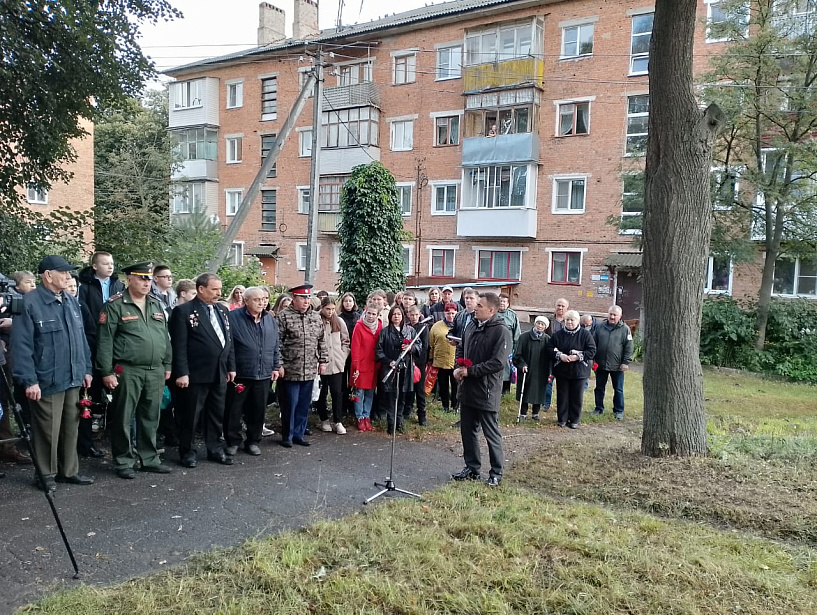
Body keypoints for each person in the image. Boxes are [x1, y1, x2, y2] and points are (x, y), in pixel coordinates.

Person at [11, 255, 94, 491]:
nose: (69, 277)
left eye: (69, 273)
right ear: (48, 275)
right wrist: (29, 381)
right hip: (46, 378)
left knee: (71, 426)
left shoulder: (70, 300)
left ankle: (69, 471)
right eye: (64, 272)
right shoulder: (30, 303)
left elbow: (81, 339)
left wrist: (86, 368)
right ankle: (45, 474)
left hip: (73, 376)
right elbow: (21, 346)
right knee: (47, 429)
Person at [96, 262, 173, 479]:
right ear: (129, 279)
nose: (146, 282)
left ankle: (149, 458)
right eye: (141, 278)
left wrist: (167, 364)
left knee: (151, 416)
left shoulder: (157, 305)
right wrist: (106, 371)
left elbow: (164, 338)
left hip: (155, 370)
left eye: (149, 279)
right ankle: (123, 460)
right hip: (127, 370)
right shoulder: (115, 305)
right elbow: (104, 341)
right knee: (123, 416)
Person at [169, 273, 236, 467]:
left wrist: (231, 366)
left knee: (216, 413)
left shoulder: (222, 310)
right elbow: (179, 345)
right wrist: (181, 372)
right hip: (195, 373)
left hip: (219, 372)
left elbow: (228, 341)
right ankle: (187, 451)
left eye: (220, 289)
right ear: (201, 289)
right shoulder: (184, 311)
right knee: (191, 414)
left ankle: (214, 448)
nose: (218, 293)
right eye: (214, 289)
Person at [451, 292, 509, 487]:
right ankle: (472, 468)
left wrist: (471, 371)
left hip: (487, 390)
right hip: (467, 388)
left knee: (490, 433)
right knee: (467, 431)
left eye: (480, 306)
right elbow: (461, 347)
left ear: (491, 310)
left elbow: (498, 362)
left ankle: (496, 473)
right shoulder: (471, 324)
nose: (475, 308)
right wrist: (457, 367)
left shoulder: (501, 331)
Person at [225, 286, 281, 457]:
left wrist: (276, 366)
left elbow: (275, 344)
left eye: (264, 299)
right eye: (257, 299)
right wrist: (231, 367)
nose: (262, 302)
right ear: (246, 300)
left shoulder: (269, 319)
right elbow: (229, 346)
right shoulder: (233, 317)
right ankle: (232, 441)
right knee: (233, 410)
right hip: (240, 373)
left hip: (263, 373)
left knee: (257, 410)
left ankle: (253, 441)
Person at [276, 284, 328, 448]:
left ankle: (299, 433)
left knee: (304, 404)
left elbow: (321, 340)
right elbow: (276, 343)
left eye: (307, 298)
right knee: (290, 404)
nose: (306, 301)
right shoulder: (283, 316)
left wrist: (323, 360)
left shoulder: (315, 317)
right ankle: (287, 435)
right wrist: (279, 364)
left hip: (310, 368)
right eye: (302, 298)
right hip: (290, 369)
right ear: (294, 299)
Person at [548, 309, 596, 429]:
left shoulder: (585, 335)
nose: (569, 322)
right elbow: (549, 348)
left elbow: (592, 351)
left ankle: (574, 420)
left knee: (576, 396)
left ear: (578, 321)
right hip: (562, 370)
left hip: (579, 371)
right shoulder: (558, 335)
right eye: (567, 320)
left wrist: (577, 357)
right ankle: (562, 419)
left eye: (572, 320)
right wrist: (560, 356)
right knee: (562, 396)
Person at [375, 305, 418, 434]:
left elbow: (419, 345)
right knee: (390, 396)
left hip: (405, 368)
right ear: (390, 316)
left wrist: (411, 348)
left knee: (402, 396)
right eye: (394, 314)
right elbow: (378, 350)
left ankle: (399, 422)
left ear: (403, 316)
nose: (396, 316)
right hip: (390, 367)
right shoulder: (384, 332)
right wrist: (389, 361)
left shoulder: (410, 330)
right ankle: (391, 423)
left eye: (399, 314)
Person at [315, 297, 350, 434]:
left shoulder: (339, 321)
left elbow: (345, 340)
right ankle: (324, 419)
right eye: (327, 309)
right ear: (322, 308)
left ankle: (338, 420)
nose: (330, 312)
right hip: (321, 364)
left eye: (332, 309)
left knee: (337, 392)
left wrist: (342, 356)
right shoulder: (317, 320)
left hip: (336, 363)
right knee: (322, 393)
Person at [592, 305, 633, 420]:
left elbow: (629, 347)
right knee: (599, 388)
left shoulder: (625, 329)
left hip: (617, 366)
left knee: (618, 389)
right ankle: (598, 408)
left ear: (620, 316)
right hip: (600, 364)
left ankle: (618, 410)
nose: (612, 316)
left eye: (615, 315)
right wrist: (592, 359)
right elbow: (593, 344)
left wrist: (625, 362)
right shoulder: (599, 327)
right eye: (611, 314)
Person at [349, 301, 381, 431]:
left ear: (378, 315)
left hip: (374, 364)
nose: (371, 316)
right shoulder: (359, 326)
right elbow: (355, 347)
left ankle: (366, 415)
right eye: (369, 313)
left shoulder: (379, 325)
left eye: (374, 314)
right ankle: (359, 417)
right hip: (361, 364)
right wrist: (356, 365)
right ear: (365, 312)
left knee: (370, 392)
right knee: (359, 392)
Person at [513, 316, 551, 420]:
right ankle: (523, 413)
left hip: (541, 370)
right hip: (527, 369)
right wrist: (522, 365)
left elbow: (550, 356)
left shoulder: (547, 339)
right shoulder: (524, 337)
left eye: (542, 324)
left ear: (545, 327)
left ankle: (535, 413)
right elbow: (517, 355)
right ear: (534, 324)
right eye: (538, 323)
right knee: (524, 390)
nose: (540, 326)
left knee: (539, 391)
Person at [428, 302, 459, 414]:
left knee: (455, 385)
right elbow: (431, 343)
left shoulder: (459, 326)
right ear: (444, 313)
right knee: (443, 385)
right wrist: (431, 359)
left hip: (455, 361)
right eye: (448, 313)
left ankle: (455, 405)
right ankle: (445, 406)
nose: (450, 315)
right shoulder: (436, 326)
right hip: (440, 361)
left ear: (456, 313)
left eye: (453, 313)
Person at [78, 251, 124, 320]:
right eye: (106, 264)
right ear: (95, 266)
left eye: (112, 264)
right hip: (93, 327)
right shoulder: (84, 285)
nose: (110, 267)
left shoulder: (119, 285)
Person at [403, 305, 429, 426]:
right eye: (411, 315)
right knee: (408, 388)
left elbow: (424, 347)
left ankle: (422, 415)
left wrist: (418, 362)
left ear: (419, 315)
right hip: (407, 362)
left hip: (419, 362)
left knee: (420, 390)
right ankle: (407, 410)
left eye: (416, 315)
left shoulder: (424, 328)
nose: (413, 317)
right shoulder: (406, 327)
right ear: (408, 315)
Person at [336, 292, 359, 418]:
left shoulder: (358, 317)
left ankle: (352, 406)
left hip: (355, 353)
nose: (348, 303)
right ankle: (342, 406)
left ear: (354, 303)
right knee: (341, 382)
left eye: (350, 301)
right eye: (346, 301)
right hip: (342, 353)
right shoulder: (339, 317)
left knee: (353, 380)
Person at [496, 293, 521, 394]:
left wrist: (516, 349)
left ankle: (506, 391)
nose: (502, 303)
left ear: (508, 304)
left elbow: (517, 333)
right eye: (500, 301)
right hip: (495, 345)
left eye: (504, 301)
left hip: (508, 347)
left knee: (507, 369)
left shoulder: (512, 315)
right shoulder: (492, 313)